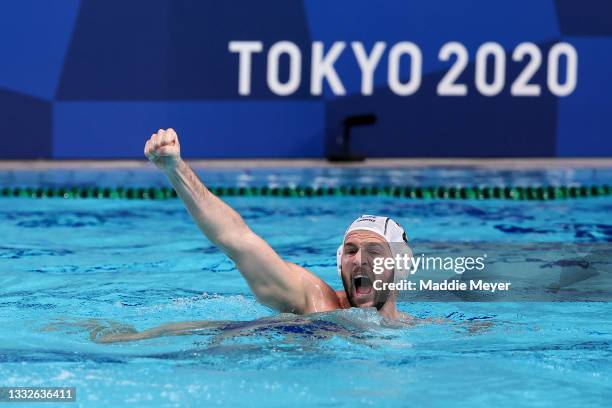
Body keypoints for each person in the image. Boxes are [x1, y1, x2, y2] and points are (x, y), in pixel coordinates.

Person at [143, 128, 413, 320]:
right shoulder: (315, 300)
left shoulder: (425, 329)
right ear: (340, 260)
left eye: (375, 251)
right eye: (351, 250)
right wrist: (175, 169)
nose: (359, 260)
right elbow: (237, 240)